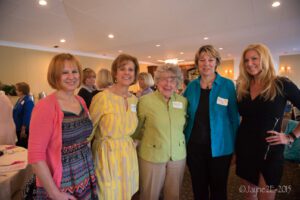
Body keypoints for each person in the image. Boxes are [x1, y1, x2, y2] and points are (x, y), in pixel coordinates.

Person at [28, 53, 98, 200]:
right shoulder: (45, 107)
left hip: (85, 171)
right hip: (61, 181)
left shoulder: (80, 101)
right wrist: (54, 193)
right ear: (55, 76)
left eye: (74, 71)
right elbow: (35, 157)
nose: (71, 76)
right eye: (64, 72)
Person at [235, 43, 300, 200]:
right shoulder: (242, 87)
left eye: (254, 58)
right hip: (245, 148)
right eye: (246, 60)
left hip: (270, 150)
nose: (250, 63)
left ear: (265, 59)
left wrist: (290, 136)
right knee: (249, 195)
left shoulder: (282, 84)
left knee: (266, 196)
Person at [183, 45, 240, 200]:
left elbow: (234, 119)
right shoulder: (191, 86)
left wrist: (236, 148)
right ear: (197, 63)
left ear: (216, 62)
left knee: (219, 190)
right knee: (198, 189)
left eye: (210, 59)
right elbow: (183, 114)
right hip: (194, 148)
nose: (206, 63)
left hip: (221, 148)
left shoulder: (227, 85)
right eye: (202, 60)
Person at [89, 54, 140, 199]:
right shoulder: (101, 98)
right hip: (106, 155)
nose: (127, 73)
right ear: (115, 73)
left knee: (125, 192)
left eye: (131, 69)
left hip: (128, 155)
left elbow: (136, 127)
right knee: (108, 193)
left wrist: (136, 142)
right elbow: (89, 129)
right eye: (122, 69)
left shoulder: (134, 100)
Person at [133, 64, 187, 200]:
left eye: (173, 79)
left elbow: (184, 126)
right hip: (152, 156)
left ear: (178, 83)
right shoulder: (145, 101)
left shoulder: (183, 101)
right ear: (157, 81)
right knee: (149, 194)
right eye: (164, 79)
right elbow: (137, 129)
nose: (168, 84)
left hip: (178, 156)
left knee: (174, 195)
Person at [13, 82, 34, 148]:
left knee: (22, 147)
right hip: (17, 127)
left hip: (23, 130)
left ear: (21, 91)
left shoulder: (28, 101)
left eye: (16, 89)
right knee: (18, 146)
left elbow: (28, 116)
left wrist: (23, 129)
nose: (15, 91)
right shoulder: (20, 99)